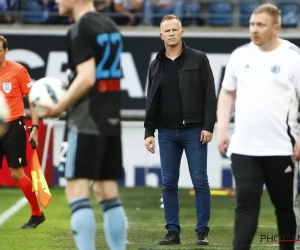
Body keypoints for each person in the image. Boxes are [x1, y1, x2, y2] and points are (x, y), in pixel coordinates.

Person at [38, 0, 127, 249]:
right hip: (110, 119)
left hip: (85, 120)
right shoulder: (110, 25)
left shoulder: (79, 29)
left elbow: (87, 78)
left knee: (76, 193)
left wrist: (59, 106)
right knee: (107, 194)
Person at [217, 4, 300, 250]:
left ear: (276, 28)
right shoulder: (239, 55)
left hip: (281, 148)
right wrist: (222, 129)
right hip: (244, 148)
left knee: (285, 208)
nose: (254, 29)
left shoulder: (293, 57)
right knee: (246, 204)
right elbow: (226, 93)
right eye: (252, 24)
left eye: (260, 25)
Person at [144, 14, 217, 246]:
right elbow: (151, 100)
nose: (172, 33)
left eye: (175, 29)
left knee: (200, 181)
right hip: (166, 133)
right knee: (168, 183)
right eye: (168, 30)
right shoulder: (155, 64)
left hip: (194, 131)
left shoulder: (199, 59)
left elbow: (209, 96)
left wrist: (208, 126)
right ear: (161, 35)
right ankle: (172, 232)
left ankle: (202, 232)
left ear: (182, 32)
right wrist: (149, 132)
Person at [0, 35, 45, 229]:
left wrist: (34, 127)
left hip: (14, 127)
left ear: (6, 51)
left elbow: (32, 99)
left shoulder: (18, 70)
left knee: (17, 173)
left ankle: (37, 214)